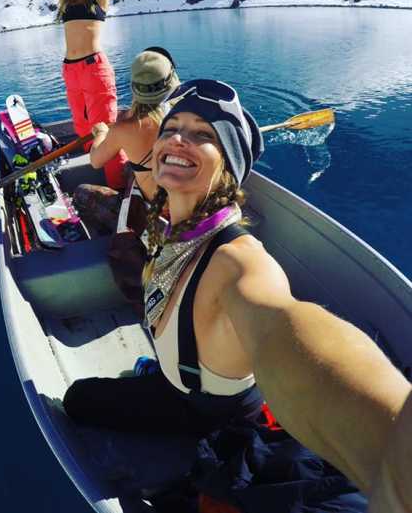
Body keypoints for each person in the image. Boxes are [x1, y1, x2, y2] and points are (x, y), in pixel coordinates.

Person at [63, 79, 412, 511]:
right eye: (172, 128)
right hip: (187, 381)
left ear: (227, 167)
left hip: (207, 410)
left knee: (78, 400)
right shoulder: (176, 228)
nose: (178, 138)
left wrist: (389, 443)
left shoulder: (239, 263)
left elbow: (283, 325)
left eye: (203, 135)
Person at [3, 0, 140, 190]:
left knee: (106, 133)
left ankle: (122, 195)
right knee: (83, 130)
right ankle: (102, 186)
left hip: (95, 69)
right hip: (71, 72)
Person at [73, 46, 180, 235]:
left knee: (81, 192)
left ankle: (117, 236)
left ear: (135, 87)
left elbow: (96, 161)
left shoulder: (124, 127)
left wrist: (101, 133)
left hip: (154, 215)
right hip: (186, 207)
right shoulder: (188, 116)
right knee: (128, 169)